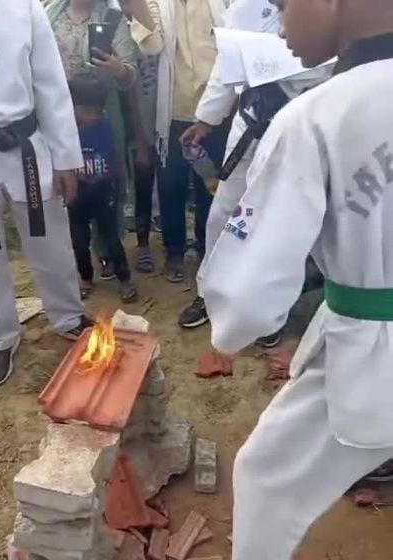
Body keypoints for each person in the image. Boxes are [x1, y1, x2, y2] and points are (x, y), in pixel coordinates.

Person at [203, 0, 393, 558]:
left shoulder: (319, 116)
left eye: (284, 5)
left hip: (375, 349)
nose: (280, 25)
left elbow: (248, 294)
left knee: (266, 478)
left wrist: (230, 329)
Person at [0, 0, 93, 387]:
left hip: (24, 145)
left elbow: (50, 84)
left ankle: (68, 316)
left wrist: (65, 158)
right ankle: (1, 336)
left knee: (51, 244)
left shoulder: (23, 5)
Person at [178, 55, 330, 334]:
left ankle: (271, 309)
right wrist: (207, 119)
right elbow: (229, 57)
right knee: (225, 215)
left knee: (283, 226)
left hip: (302, 131)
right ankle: (209, 293)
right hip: (250, 123)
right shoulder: (249, 22)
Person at [127, 0, 232, 283]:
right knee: (171, 186)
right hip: (173, 115)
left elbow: (233, 46)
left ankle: (207, 251)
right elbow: (152, 46)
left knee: (210, 187)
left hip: (217, 112)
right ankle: (174, 252)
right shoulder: (156, 3)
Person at [47, 0, 137, 280]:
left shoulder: (112, 18)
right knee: (63, 187)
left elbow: (130, 75)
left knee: (103, 184)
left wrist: (118, 68)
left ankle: (108, 252)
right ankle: (71, 257)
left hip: (101, 117)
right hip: (58, 117)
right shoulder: (48, 14)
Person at [68, 73, 138, 302]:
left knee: (111, 239)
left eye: (97, 111)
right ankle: (86, 278)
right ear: (72, 108)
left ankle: (125, 280)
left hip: (103, 192)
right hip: (76, 195)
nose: (93, 116)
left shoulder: (106, 127)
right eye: (86, 111)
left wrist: (121, 184)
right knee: (79, 242)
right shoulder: (65, 132)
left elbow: (116, 157)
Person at [119, 0, 159, 273]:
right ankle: (122, 244)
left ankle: (145, 240)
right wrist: (140, 138)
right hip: (125, 115)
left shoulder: (156, 13)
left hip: (156, 110)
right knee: (131, 177)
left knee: (147, 176)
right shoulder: (112, 20)